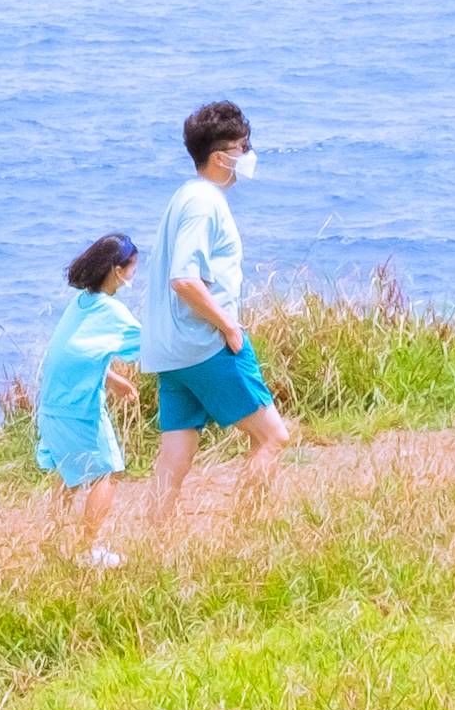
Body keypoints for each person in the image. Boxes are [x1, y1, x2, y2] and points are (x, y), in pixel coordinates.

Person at [140, 100, 287, 519]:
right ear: (222, 156)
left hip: (170, 351)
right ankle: (244, 530)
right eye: (244, 147)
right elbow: (184, 279)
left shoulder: (184, 197)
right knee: (273, 437)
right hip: (204, 344)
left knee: (177, 449)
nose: (249, 154)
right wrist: (230, 328)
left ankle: (157, 537)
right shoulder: (206, 203)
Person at [36, 234, 146, 566]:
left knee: (70, 473)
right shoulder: (112, 310)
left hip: (53, 405)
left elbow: (75, 351)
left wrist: (111, 380)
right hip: (79, 409)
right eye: (132, 268)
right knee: (106, 471)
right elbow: (150, 345)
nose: (134, 275)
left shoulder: (81, 303)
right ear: (117, 270)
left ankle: (52, 542)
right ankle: (89, 549)